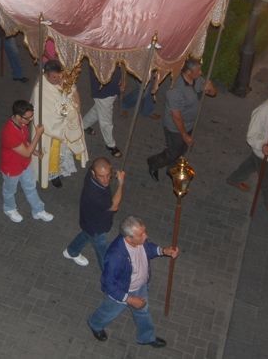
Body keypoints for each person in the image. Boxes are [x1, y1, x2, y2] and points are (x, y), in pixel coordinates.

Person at [87, 215, 178, 348]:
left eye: (144, 232)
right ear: (129, 238)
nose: (146, 236)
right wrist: (129, 299)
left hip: (139, 286)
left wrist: (163, 251)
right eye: (141, 235)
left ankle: (146, 337)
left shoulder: (138, 241)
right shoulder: (115, 257)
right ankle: (95, 324)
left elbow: (147, 247)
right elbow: (109, 284)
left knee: (143, 311)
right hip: (122, 292)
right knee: (109, 311)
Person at [226, 85, 268, 217]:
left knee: (252, 163)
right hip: (264, 151)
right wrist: (262, 145)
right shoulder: (262, 111)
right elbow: (251, 136)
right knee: (266, 178)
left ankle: (234, 179)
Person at [146, 58, 216, 181]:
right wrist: (184, 135)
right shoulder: (175, 90)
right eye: (198, 71)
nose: (200, 73)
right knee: (173, 152)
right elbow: (176, 116)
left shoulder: (196, 80)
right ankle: (153, 162)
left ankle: (171, 169)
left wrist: (211, 88)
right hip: (175, 127)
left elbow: (213, 94)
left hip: (189, 124)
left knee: (182, 150)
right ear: (189, 72)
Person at [30, 59, 88, 189]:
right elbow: (46, 114)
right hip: (51, 130)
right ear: (46, 74)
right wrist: (68, 112)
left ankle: (60, 169)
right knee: (51, 153)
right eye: (54, 77)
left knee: (62, 152)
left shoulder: (64, 80)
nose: (57, 79)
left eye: (59, 75)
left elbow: (74, 93)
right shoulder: (40, 90)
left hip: (64, 124)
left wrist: (75, 106)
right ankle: (53, 175)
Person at [63, 157, 125, 270]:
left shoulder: (91, 174)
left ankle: (71, 251)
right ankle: (108, 276)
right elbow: (114, 206)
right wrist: (120, 183)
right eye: (101, 176)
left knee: (86, 234)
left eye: (108, 175)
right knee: (103, 253)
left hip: (88, 220)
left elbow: (104, 169)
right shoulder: (95, 194)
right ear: (93, 173)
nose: (106, 180)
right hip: (97, 228)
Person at [0, 100, 52, 223]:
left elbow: (24, 143)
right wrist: (38, 135)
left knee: (30, 187)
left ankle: (38, 210)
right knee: (9, 191)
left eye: (31, 116)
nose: (30, 120)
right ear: (17, 116)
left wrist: (35, 152)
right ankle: (9, 208)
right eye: (27, 118)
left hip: (24, 164)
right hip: (11, 168)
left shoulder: (21, 124)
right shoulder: (9, 132)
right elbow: (26, 152)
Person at [83, 65, 123, 158]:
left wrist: (122, 78)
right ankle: (110, 145)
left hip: (113, 82)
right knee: (106, 120)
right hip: (104, 86)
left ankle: (84, 124)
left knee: (100, 108)